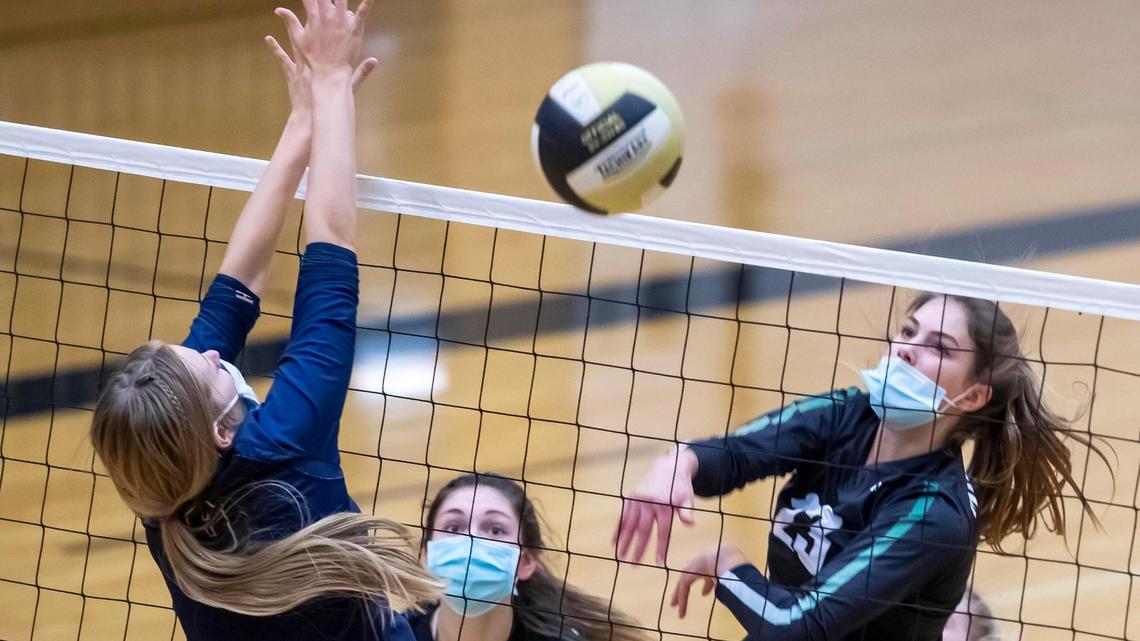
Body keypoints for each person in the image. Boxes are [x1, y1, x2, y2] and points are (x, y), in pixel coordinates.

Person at [89, 2, 443, 639]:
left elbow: (238, 287)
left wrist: (304, 123)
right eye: (204, 366)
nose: (210, 352)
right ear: (221, 431)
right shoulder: (286, 450)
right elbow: (332, 242)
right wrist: (331, 82)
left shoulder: (159, 487)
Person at [613, 292, 1108, 640]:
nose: (907, 348)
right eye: (908, 331)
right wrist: (678, 464)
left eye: (939, 347)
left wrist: (727, 568)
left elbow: (797, 629)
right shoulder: (847, 414)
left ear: (974, 395)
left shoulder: (932, 511)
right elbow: (737, 455)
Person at [409, 473, 650, 641]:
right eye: (453, 527)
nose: (471, 541)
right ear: (427, 553)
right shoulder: (394, 634)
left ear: (524, 562)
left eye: (495, 530)